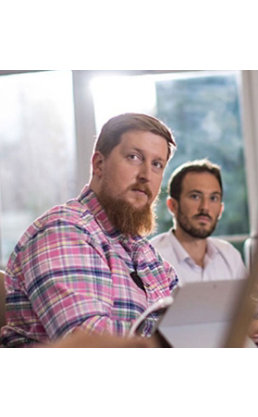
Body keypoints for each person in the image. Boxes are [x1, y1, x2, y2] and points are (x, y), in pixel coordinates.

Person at [0, 113, 179, 347]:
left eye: (157, 164)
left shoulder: (147, 255)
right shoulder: (62, 231)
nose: (146, 175)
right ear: (99, 164)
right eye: (134, 157)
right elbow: (89, 346)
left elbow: (187, 325)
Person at [150, 159, 258, 342]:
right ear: (172, 206)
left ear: (221, 209)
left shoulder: (228, 254)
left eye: (213, 198)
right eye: (195, 196)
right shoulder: (153, 257)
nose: (205, 207)